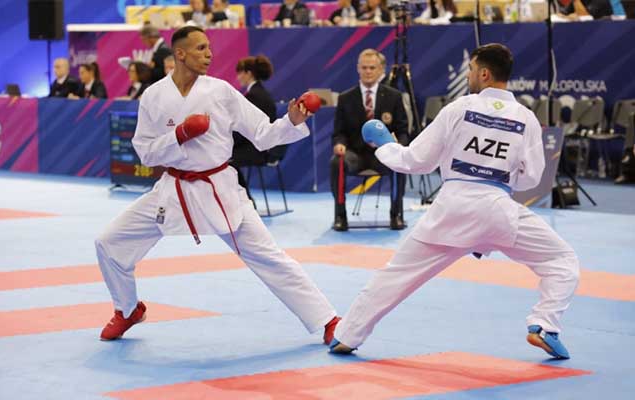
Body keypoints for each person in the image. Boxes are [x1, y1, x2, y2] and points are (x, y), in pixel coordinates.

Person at [330, 44, 580, 361]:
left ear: (484, 73)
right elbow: (531, 178)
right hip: (499, 210)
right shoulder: (526, 118)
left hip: (452, 210)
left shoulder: (459, 108)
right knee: (562, 261)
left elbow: (416, 161)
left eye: (471, 69)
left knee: (395, 276)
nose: (469, 75)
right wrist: (499, 179)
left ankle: (347, 336)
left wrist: (384, 145)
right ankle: (545, 324)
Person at [95, 26, 340, 344]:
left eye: (209, 48)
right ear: (179, 53)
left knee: (268, 255)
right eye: (200, 48)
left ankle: (328, 319)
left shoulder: (221, 92)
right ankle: (127, 309)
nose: (209, 54)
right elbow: (145, 151)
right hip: (173, 189)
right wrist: (179, 135)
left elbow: (263, 134)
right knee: (109, 242)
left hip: (220, 190)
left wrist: (291, 121)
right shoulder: (154, 96)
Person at [330, 49, 408, 231]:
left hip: (383, 155)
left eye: (372, 68)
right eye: (364, 67)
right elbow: (339, 132)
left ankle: (396, 214)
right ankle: (340, 216)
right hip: (355, 155)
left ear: (381, 70)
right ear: (358, 68)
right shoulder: (345, 98)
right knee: (336, 162)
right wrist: (339, 144)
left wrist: (399, 146)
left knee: (399, 160)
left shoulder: (394, 96)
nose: (368, 71)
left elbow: (403, 131)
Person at [231, 55, 278, 203]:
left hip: (258, 149)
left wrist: (227, 142)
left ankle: (246, 202)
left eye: (240, 73)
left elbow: (246, 130)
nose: (238, 77)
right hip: (262, 145)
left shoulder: (254, 96)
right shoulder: (261, 93)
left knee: (224, 159)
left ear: (249, 73)